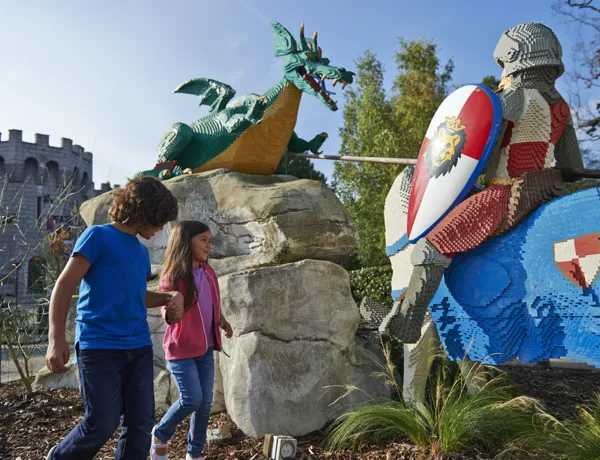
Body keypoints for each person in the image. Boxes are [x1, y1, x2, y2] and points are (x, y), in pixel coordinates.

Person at [45, 176, 183, 460]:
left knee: (141, 424)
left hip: (139, 348)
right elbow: (64, 285)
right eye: (159, 221)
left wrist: (169, 298)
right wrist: (56, 337)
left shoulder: (141, 252)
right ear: (146, 210)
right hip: (99, 347)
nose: (160, 228)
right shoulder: (98, 236)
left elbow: (138, 295)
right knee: (102, 422)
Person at [151, 220, 233, 460]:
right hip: (181, 351)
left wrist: (221, 320)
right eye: (203, 240)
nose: (209, 245)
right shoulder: (173, 275)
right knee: (191, 399)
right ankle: (160, 433)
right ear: (186, 242)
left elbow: (212, 303)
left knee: (205, 404)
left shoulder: (209, 272)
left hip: (205, 349)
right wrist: (170, 312)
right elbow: (165, 308)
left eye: (210, 240)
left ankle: (194, 453)